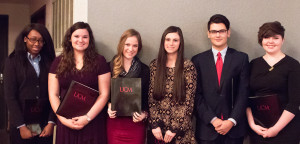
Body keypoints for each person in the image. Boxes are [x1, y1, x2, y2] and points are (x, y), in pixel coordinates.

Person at [48, 22, 111, 144]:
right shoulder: (58, 62)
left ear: (90, 40)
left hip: (93, 122)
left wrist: (87, 118)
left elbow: (104, 94)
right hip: (66, 122)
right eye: (76, 36)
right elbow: (53, 94)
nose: (80, 40)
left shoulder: (100, 61)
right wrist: (63, 120)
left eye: (85, 37)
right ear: (70, 38)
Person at [191, 14, 249, 144]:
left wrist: (232, 120)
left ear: (228, 33)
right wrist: (213, 119)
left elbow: (243, 93)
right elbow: (196, 95)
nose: (218, 35)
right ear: (208, 34)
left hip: (234, 130)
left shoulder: (241, 58)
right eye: (214, 31)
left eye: (221, 31)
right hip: (207, 129)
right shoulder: (198, 60)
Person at [246, 21, 300, 144]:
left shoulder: (293, 65)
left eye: (275, 38)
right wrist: (252, 124)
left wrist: (275, 129)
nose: (271, 41)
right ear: (261, 40)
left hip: (286, 129)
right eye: (266, 37)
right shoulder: (253, 64)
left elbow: (294, 102)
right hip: (258, 128)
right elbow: (246, 97)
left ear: (282, 40)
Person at [4, 23, 56, 144]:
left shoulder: (50, 62)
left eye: (41, 40)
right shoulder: (12, 61)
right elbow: (10, 97)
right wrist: (21, 126)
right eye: (33, 39)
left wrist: (51, 122)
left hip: (44, 124)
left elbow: (55, 93)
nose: (37, 44)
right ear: (25, 39)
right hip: (21, 122)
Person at [148, 26, 197, 144]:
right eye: (168, 39)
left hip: (180, 131)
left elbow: (189, 101)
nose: (171, 43)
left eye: (175, 40)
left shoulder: (187, 66)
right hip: (158, 131)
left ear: (180, 43)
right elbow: (151, 98)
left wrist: (175, 128)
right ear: (163, 42)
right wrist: (155, 124)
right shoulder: (155, 65)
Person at [106, 29, 150, 144]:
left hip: (136, 125)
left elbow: (148, 99)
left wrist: (144, 114)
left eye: (135, 46)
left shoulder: (145, 70)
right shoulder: (108, 67)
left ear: (139, 48)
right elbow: (101, 94)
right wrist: (108, 105)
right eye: (127, 44)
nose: (131, 49)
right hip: (115, 124)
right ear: (121, 45)